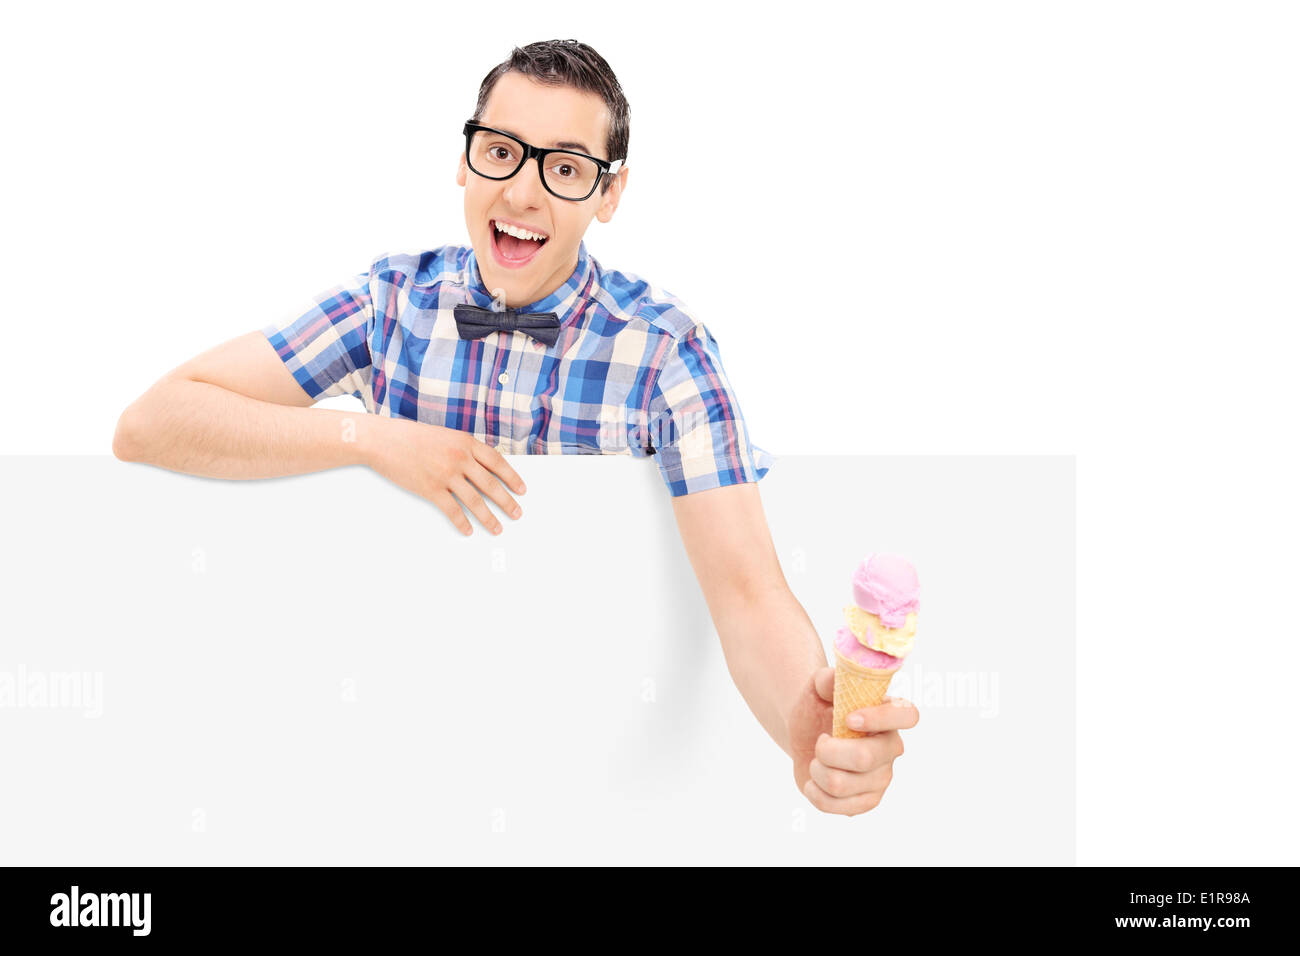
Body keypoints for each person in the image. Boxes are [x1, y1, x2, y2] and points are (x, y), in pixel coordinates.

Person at [112, 38, 917, 816]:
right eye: (502, 151)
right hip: (387, 765)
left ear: (609, 193)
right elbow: (153, 421)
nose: (524, 193)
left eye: (565, 169)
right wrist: (371, 438)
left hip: (598, 782)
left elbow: (747, 593)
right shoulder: (389, 303)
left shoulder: (667, 352)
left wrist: (801, 729)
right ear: (464, 160)